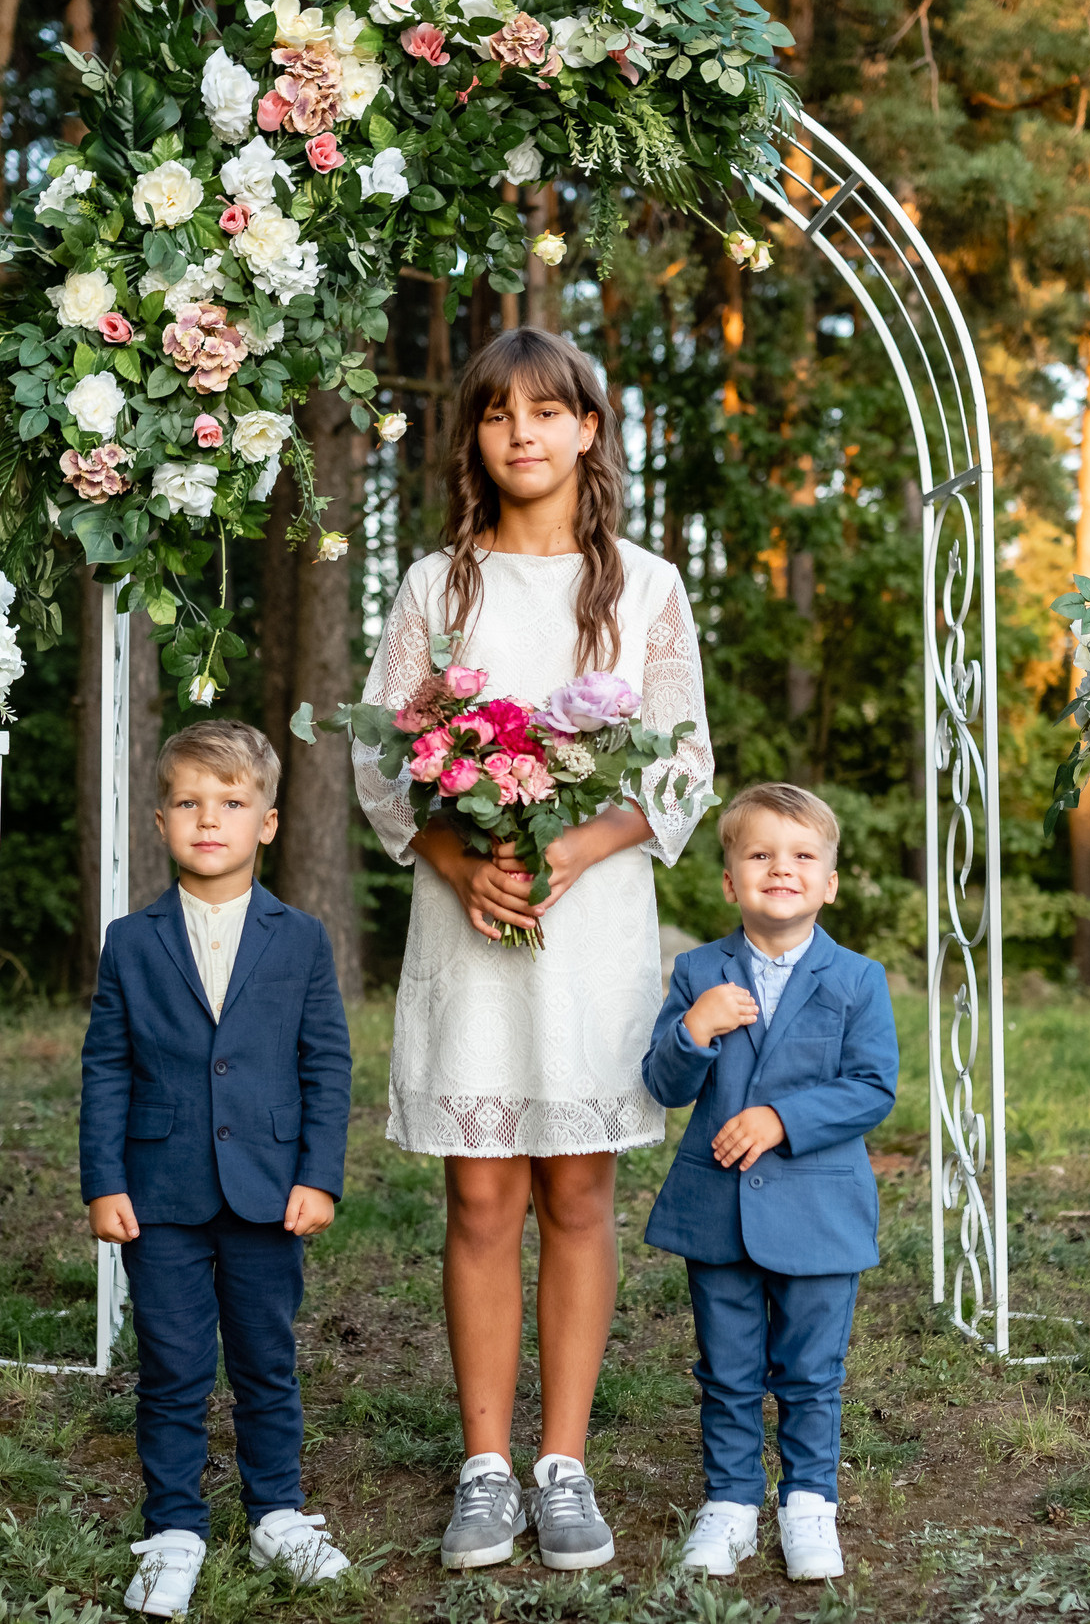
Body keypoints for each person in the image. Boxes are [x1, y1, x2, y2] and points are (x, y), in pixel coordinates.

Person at [354, 327, 714, 1571]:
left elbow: (678, 762)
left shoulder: (648, 586)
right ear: (474, 438)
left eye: (547, 411)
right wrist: (458, 861)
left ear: (588, 431)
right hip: (470, 921)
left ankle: (563, 1461)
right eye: (498, 412)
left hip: (593, 915)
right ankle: (485, 1464)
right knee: (480, 1189)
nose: (523, 432)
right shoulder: (431, 587)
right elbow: (378, 753)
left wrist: (574, 846)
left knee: (576, 1187)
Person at [80, 720, 355, 1617]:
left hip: (270, 1190)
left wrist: (318, 1175)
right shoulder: (131, 940)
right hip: (157, 1192)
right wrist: (103, 1180)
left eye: (231, 803)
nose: (211, 819)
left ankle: (278, 1511)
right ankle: (174, 1530)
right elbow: (106, 1064)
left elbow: (326, 1064)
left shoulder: (302, 938)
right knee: (170, 1361)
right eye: (191, 803)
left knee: (267, 1358)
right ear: (160, 820)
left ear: (266, 823)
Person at [639, 783, 898, 1583]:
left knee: (813, 1367)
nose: (779, 869)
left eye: (801, 856)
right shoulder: (696, 971)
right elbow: (664, 1081)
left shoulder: (857, 978)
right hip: (717, 1209)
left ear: (828, 881)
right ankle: (731, 1502)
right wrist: (694, 1028)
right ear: (729, 881)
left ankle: (809, 1501)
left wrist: (782, 1118)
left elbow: (872, 1086)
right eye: (758, 855)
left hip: (820, 1210)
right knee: (726, 1365)